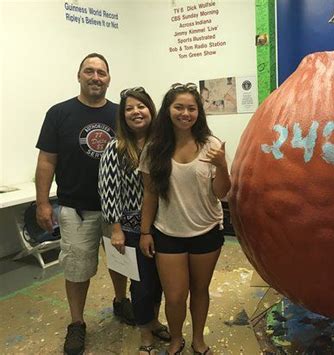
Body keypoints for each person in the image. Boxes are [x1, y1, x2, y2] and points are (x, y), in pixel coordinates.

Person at [35, 53, 134, 355]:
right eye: (89, 71)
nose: (95, 77)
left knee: (120, 263)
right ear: (79, 75)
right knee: (77, 270)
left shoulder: (121, 115)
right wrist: (42, 203)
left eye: (101, 73)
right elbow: (46, 160)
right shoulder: (59, 113)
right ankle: (77, 323)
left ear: (109, 79)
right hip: (77, 209)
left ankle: (120, 301)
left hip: (117, 209)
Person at [139, 83, 231, 355]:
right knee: (176, 295)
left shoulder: (211, 145)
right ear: (168, 110)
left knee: (200, 290)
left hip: (206, 231)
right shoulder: (154, 149)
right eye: (179, 107)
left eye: (191, 108)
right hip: (168, 232)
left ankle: (198, 339)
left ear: (198, 112)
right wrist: (145, 232)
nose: (185, 113)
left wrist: (222, 165)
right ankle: (176, 338)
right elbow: (150, 195)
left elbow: (221, 192)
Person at [98, 87, 171, 354]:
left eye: (140, 106)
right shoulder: (114, 148)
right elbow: (108, 191)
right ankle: (145, 336)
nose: (136, 112)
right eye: (129, 108)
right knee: (141, 285)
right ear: (123, 116)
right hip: (129, 229)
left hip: (163, 226)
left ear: (151, 110)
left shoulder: (163, 145)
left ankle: (154, 321)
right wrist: (115, 229)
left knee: (161, 281)